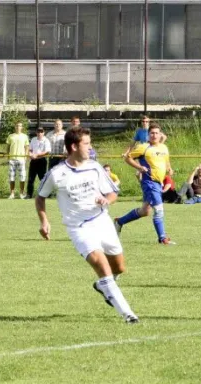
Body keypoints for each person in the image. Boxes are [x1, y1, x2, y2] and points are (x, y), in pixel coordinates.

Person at [35, 126, 138, 324]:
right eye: (87, 144)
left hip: (103, 222)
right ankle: (128, 314)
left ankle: (103, 287)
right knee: (101, 264)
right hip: (79, 228)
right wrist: (44, 221)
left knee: (119, 268)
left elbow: (113, 193)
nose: (90, 148)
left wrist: (107, 200)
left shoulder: (95, 167)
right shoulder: (57, 173)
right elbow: (40, 197)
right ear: (73, 146)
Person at [114, 123, 175, 245]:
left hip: (158, 182)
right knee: (158, 209)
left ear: (160, 134)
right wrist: (139, 167)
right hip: (149, 182)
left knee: (145, 211)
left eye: (157, 133)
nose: (154, 135)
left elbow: (166, 161)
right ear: (148, 135)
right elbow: (127, 158)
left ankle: (119, 222)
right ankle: (162, 238)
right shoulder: (143, 147)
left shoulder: (164, 148)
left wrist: (169, 169)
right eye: (152, 133)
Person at [6, 122, 29, 199]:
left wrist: (25, 157)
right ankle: (12, 194)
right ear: (15, 127)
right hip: (12, 159)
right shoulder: (10, 136)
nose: (18, 127)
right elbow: (8, 147)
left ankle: (21, 193)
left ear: (22, 127)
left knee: (22, 177)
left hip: (21, 159)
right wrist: (8, 157)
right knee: (11, 177)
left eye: (20, 126)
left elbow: (26, 147)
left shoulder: (25, 136)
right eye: (17, 126)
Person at [26, 127, 51, 199]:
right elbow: (30, 149)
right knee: (31, 178)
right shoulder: (33, 139)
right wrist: (30, 154)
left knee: (42, 179)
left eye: (41, 132)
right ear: (36, 132)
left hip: (42, 161)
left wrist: (36, 155)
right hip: (33, 161)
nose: (39, 133)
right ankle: (29, 195)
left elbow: (47, 151)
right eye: (38, 132)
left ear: (44, 132)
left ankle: (46, 194)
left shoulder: (46, 140)